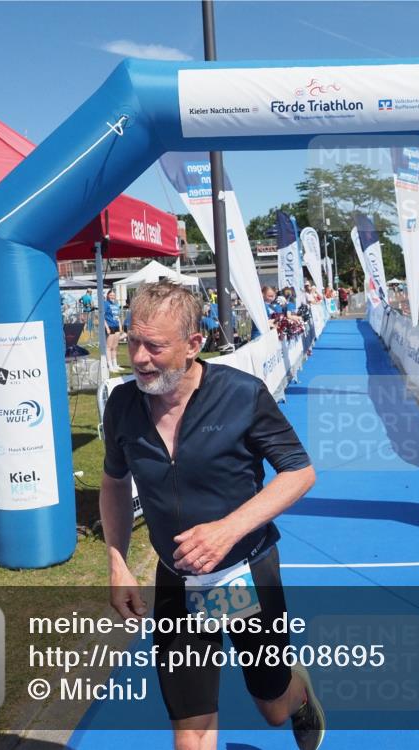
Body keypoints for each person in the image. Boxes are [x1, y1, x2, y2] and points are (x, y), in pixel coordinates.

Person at [99, 281, 324, 750]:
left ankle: (295, 694)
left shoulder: (242, 394)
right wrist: (117, 562)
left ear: (194, 344)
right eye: (133, 340)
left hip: (245, 574)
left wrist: (229, 530)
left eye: (155, 346)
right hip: (177, 583)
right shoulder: (122, 404)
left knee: (273, 709)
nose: (138, 358)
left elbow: (299, 474)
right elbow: (115, 482)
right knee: (192, 735)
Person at [104, 290, 124, 372]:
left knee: (115, 347)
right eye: (111, 295)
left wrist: (120, 325)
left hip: (116, 326)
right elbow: (102, 316)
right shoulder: (105, 304)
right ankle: (110, 365)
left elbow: (117, 316)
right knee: (109, 347)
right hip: (110, 326)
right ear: (108, 296)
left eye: (113, 295)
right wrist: (107, 327)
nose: (112, 296)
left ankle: (115, 364)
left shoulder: (116, 304)